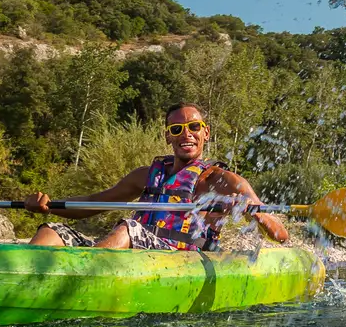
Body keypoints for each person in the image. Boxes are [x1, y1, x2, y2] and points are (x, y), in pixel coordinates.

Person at [24, 103, 289, 250]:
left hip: (178, 258)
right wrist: (50, 207)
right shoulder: (146, 176)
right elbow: (95, 202)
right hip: (133, 252)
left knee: (130, 227)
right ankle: (22, 278)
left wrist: (253, 210)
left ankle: (79, 278)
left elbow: (280, 235)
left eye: (194, 127)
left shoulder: (224, 180)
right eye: (177, 128)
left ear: (205, 133)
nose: (186, 133)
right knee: (52, 232)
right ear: (168, 136)